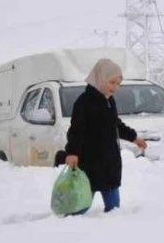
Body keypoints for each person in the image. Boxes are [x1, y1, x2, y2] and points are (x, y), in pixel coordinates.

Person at [63, 59, 148, 214]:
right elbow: (76, 130)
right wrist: (72, 152)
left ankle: (110, 233)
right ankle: (71, 223)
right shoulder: (83, 102)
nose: (116, 87)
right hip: (90, 163)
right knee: (80, 208)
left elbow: (115, 124)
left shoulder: (109, 101)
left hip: (109, 162)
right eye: (112, 82)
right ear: (100, 79)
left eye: (118, 83)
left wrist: (134, 137)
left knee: (114, 210)